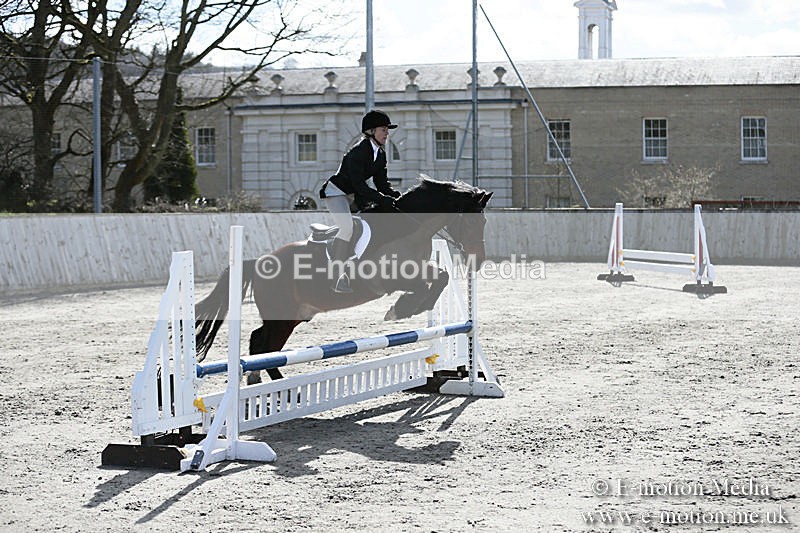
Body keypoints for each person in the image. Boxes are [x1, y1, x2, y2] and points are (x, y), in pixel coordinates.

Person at [319, 109, 401, 293]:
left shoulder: (380, 154)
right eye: (383, 129)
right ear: (371, 131)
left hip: (356, 194)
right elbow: (358, 185)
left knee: (371, 224)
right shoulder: (357, 152)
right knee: (347, 228)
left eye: (387, 129)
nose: (387, 133)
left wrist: (396, 196)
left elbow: (382, 184)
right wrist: (381, 199)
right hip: (337, 193)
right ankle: (337, 276)